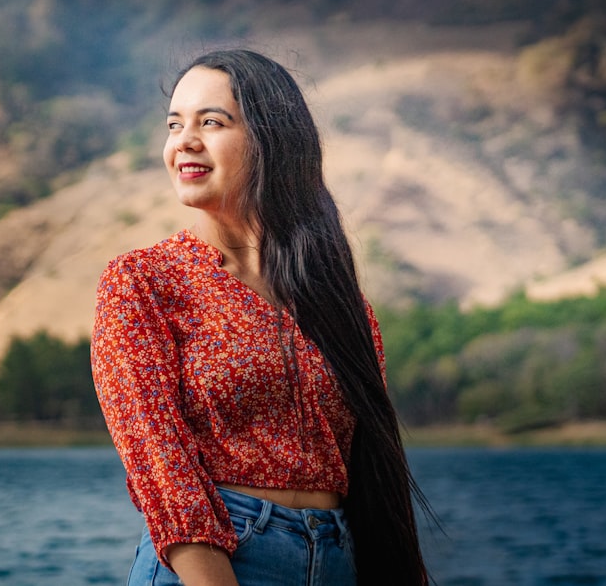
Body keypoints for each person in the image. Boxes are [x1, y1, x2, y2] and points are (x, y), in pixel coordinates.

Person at [91, 49, 431, 586]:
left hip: (339, 559)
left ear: (272, 139)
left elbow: (372, 477)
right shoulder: (146, 282)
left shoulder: (338, 303)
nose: (184, 140)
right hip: (222, 560)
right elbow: (161, 467)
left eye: (211, 122)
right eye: (175, 124)